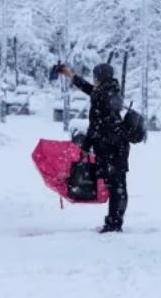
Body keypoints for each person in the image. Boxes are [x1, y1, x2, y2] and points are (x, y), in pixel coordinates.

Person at [58, 63, 129, 233]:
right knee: (118, 185)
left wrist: (85, 146)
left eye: (95, 76)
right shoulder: (111, 90)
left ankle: (114, 224)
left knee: (116, 186)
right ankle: (115, 221)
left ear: (100, 77)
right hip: (118, 146)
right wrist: (72, 76)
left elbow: (95, 126)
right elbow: (90, 89)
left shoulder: (101, 95)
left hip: (110, 147)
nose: (93, 79)